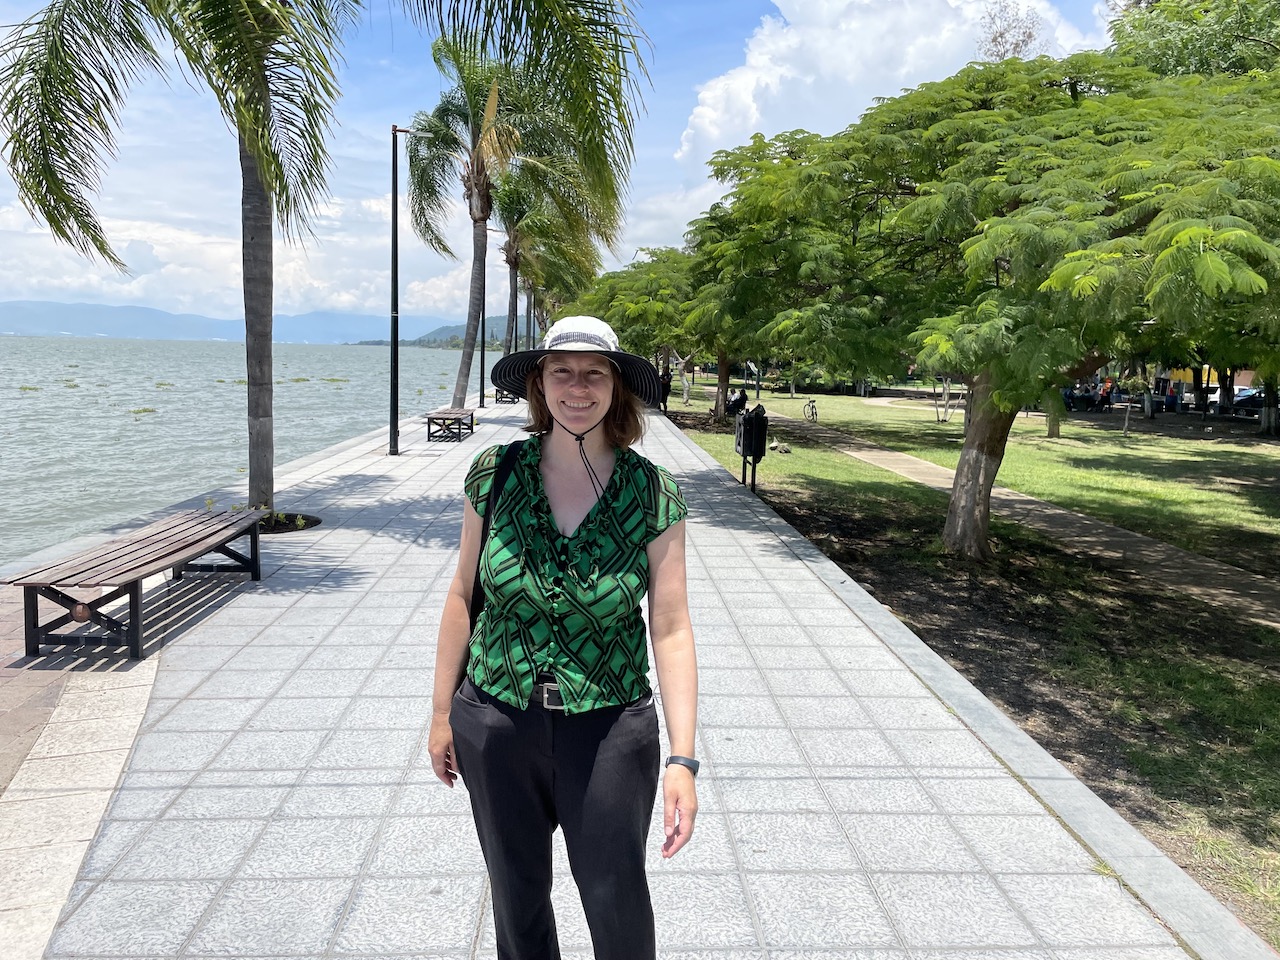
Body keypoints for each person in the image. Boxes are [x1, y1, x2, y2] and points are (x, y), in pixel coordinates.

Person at [429, 315, 699, 960]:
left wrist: (683, 760)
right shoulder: (494, 473)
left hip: (609, 726)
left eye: (593, 373)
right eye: (561, 372)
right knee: (515, 895)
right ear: (539, 385)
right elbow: (464, 594)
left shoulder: (652, 491)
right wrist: (442, 714)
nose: (577, 387)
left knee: (614, 895)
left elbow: (670, 625)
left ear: (616, 388)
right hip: (495, 718)